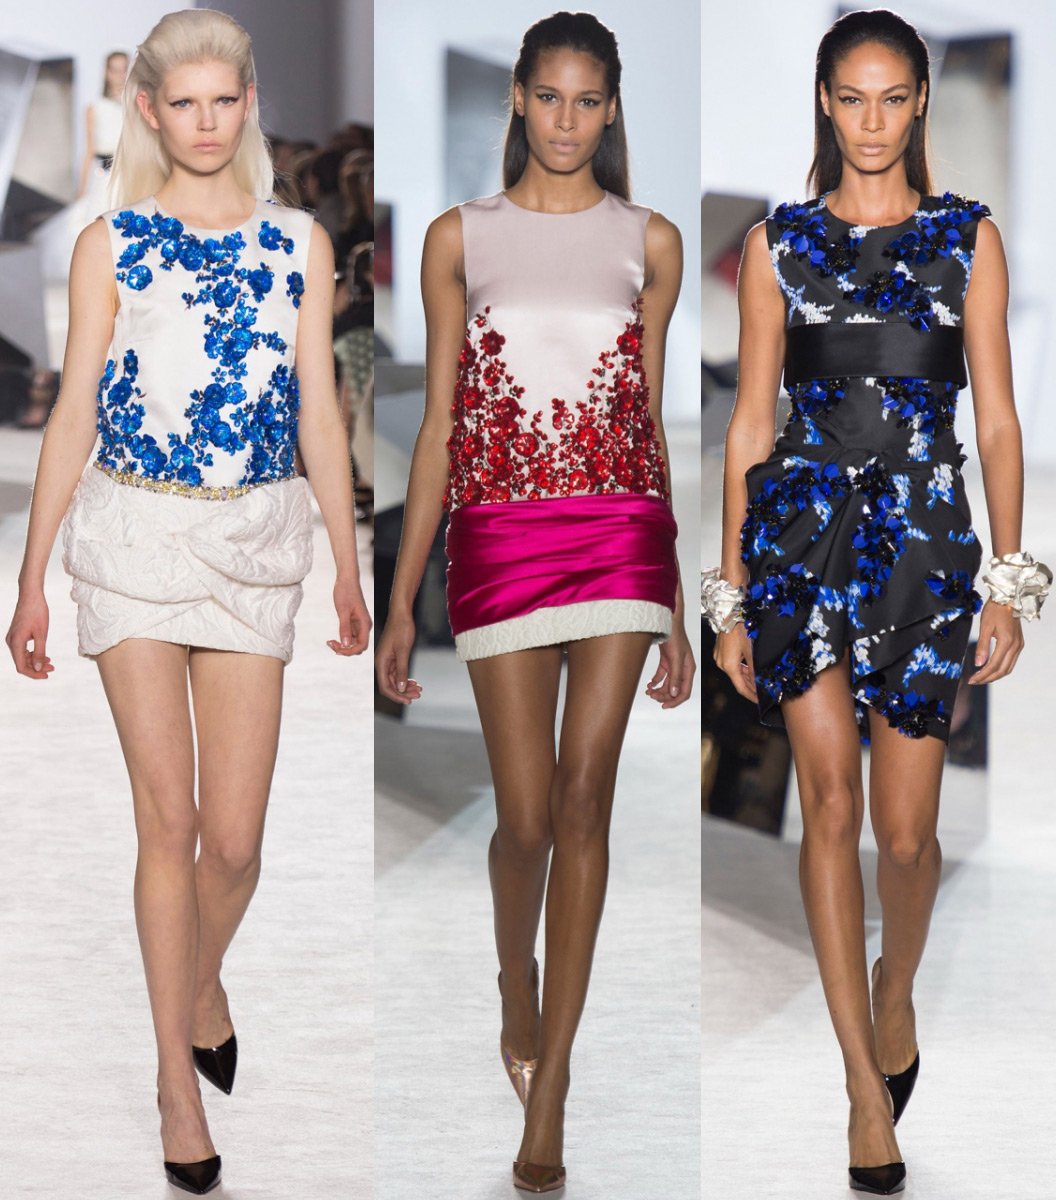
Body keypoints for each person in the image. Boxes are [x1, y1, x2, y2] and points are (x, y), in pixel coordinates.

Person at [5, 9, 370, 1195]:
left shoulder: (300, 242)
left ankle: (198, 979)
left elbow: (320, 412)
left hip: (258, 541)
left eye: (225, 100)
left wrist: (348, 562)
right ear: (152, 113)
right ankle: (176, 1080)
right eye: (185, 103)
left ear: (248, 102)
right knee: (167, 825)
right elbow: (73, 409)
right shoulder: (111, 244)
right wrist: (32, 576)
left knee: (238, 842)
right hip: (132, 538)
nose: (207, 122)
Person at [705, 9, 1049, 1196]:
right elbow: (750, 422)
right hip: (799, 543)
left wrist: (1010, 579)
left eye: (892, 97)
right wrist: (730, 595)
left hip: (926, 552)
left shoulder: (967, 239)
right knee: (829, 803)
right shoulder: (776, 246)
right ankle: (862, 1088)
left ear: (919, 104)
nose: (870, 120)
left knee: (906, 837)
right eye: (851, 97)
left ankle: (895, 987)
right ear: (824, 100)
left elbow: (996, 420)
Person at [375, 11, 694, 1194]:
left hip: (617, 534)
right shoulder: (460, 239)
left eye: (587, 100)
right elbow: (439, 430)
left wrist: (675, 601)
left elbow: (646, 422)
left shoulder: (650, 243)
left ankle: (551, 1081)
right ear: (519, 97)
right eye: (548, 96)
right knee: (521, 822)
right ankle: (518, 984)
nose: (567, 120)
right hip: (501, 536)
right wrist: (399, 602)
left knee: (583, 801)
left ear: (612, 109)